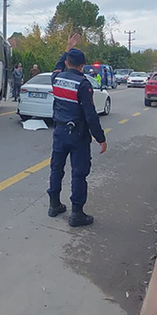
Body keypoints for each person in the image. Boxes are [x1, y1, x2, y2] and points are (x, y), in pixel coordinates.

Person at [48, 34, 107, 227]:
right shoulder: (83, 84)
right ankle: (77, 214)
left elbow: (58, 66)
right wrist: (100, 138)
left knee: (56, 168)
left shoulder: (56, 79)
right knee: (79, 173)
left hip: (59, 132)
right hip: (78, 135)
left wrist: (67, 47)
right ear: (82, 66)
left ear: (67, 62)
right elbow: (90, 115)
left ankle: (54, 205)